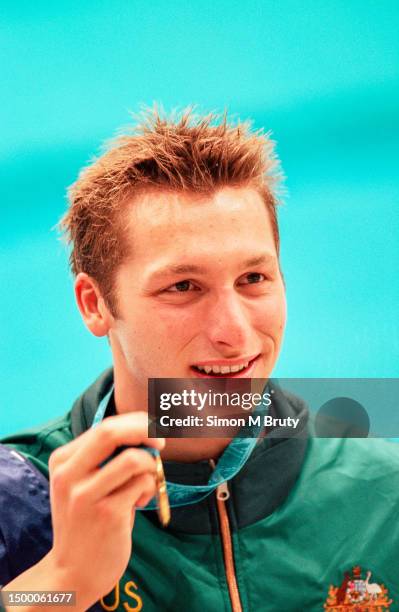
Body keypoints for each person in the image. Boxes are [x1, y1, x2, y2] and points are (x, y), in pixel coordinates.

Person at [1, 108, 398, 612]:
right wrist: (65, 578)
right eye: (183, 287)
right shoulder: (17, 502)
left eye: (253, 279)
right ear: (94, 304)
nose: (234, 333)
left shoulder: (385, 494)